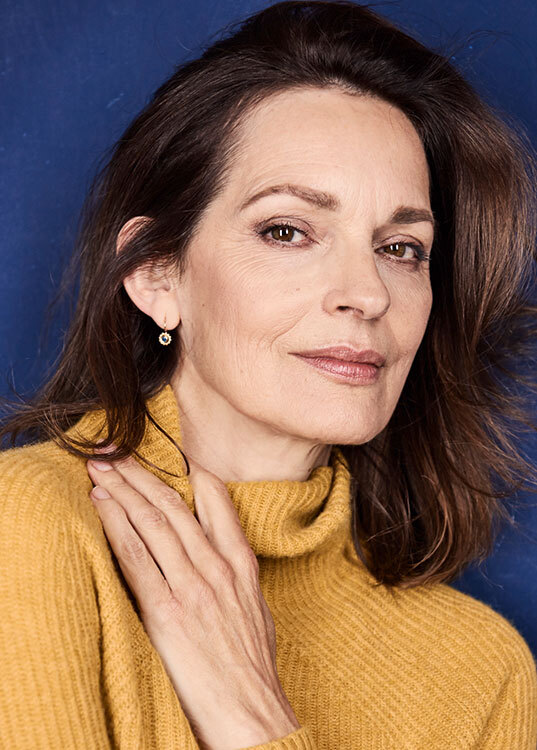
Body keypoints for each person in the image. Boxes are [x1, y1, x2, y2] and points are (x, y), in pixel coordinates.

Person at [1, 0, 536, 747]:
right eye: (287, 231)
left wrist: (252, 717)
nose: (368, 294)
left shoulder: (481, 673)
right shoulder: (26, 525)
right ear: (156, 273)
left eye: (400, 248)